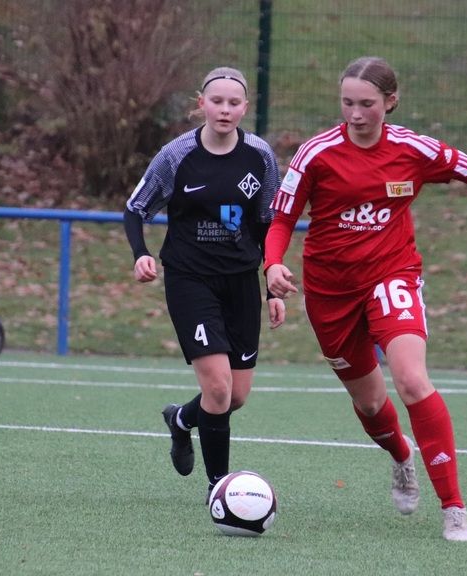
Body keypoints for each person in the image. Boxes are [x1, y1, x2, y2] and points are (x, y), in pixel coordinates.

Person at [264, 56, 467, 542]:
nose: (356, 114)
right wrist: (274, 263)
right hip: (329, 292)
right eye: (347, 102)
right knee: (370, 404)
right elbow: (282, 219)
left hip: (393, 276)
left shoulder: (414, 149)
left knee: (412, 379)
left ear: (390, 101)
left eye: (367, 104)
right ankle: (402, 456)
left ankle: (454, 507)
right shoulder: (315, 155)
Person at [123, 67, 284, 497]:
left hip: (241, 282)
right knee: (216, 387)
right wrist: (140, 253)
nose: (225, 110)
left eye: (234, 103)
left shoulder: (260, 157)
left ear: (245, 108)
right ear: (202, 104)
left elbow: (270, 222)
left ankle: (180, 419)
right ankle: (220, 490)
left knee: (235, 396)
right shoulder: (177, 156)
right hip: (190, 280)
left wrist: (271, 284)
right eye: (217, 101)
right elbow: (136, 208)